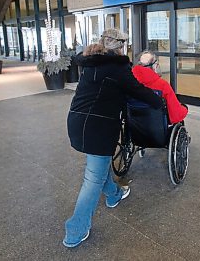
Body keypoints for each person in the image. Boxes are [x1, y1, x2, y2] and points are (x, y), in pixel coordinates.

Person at [63, 29, 162, 248]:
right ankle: (75, 229)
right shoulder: (118, 68)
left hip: (77, 121)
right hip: (98, 127)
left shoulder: (91, 63)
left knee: (97, 168)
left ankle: (114, 194)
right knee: (92, 180)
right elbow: (137, 90)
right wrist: (159, 102)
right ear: (121, 45)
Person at [132, 50, 188, 124]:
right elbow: (176, 115)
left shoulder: (130, 82)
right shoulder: (162, 85)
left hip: (135, 126)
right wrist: (184, 109)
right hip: (157, 128)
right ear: (155, 66)